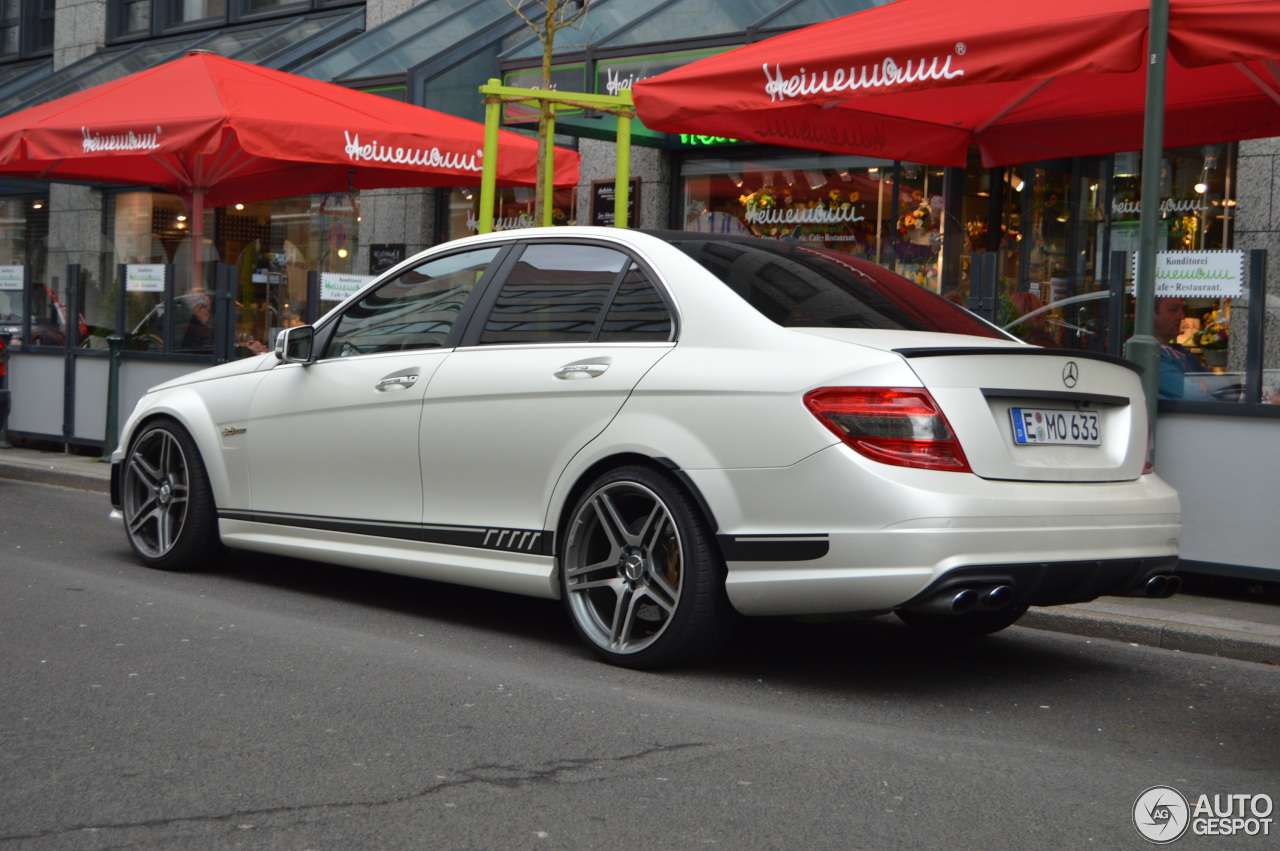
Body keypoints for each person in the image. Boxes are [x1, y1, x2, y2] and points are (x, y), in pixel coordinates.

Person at [1154, 296, 1209, 400]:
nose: (1182, 316)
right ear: (1149, 314)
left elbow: (1219, 384)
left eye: (1182, 309)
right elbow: (1195, 395)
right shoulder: (1149, 356)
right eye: (1174, 310)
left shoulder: (1181, 352)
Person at [179, 292, 266, 356]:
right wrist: (249, 350)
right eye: (209, 311)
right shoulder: (197, 330)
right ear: (199, 309)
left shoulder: (184, 325)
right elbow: (220, 352)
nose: (210, 315)